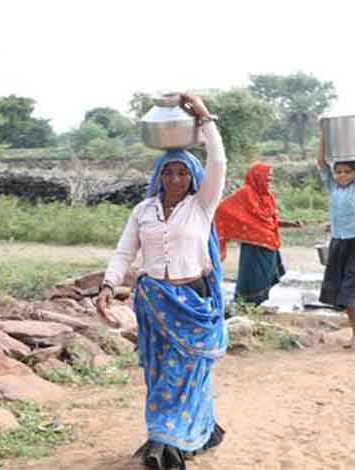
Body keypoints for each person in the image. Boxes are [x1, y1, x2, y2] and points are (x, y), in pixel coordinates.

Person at [96, 93, 226, 470]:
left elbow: (217, 159)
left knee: (184, 373)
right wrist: (107, 285)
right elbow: (124, 253)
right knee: (160, 373)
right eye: (168, 172)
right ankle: (183, 434)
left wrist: (202, 115)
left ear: (193, 177)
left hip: (193, 299)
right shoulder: (143, 211)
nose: (174, 178)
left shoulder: (202, 205)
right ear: (158, 175)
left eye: (182, 172)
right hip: (154, 301)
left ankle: (165, 444)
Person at [316, 113, 355, 348]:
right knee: (341, 289)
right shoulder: (334, 187)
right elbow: (322, 162)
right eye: (339, 172)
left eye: (346, 172)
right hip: (339, 242)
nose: (341, 176)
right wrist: (323, 130)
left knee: (352, 288)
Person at [214, 162, 302, 306]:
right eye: (267, 177)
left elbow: (268, 220)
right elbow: (222, 210)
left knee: (265, 276)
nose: (270, 180)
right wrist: (243, 229)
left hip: (270, 244)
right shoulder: (245, 193)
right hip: (253, 246)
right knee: (252, 277)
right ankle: (245, 305)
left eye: (270, 178)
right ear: (257, 176)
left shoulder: (267, 197)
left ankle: (256, 306)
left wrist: (290, 223)